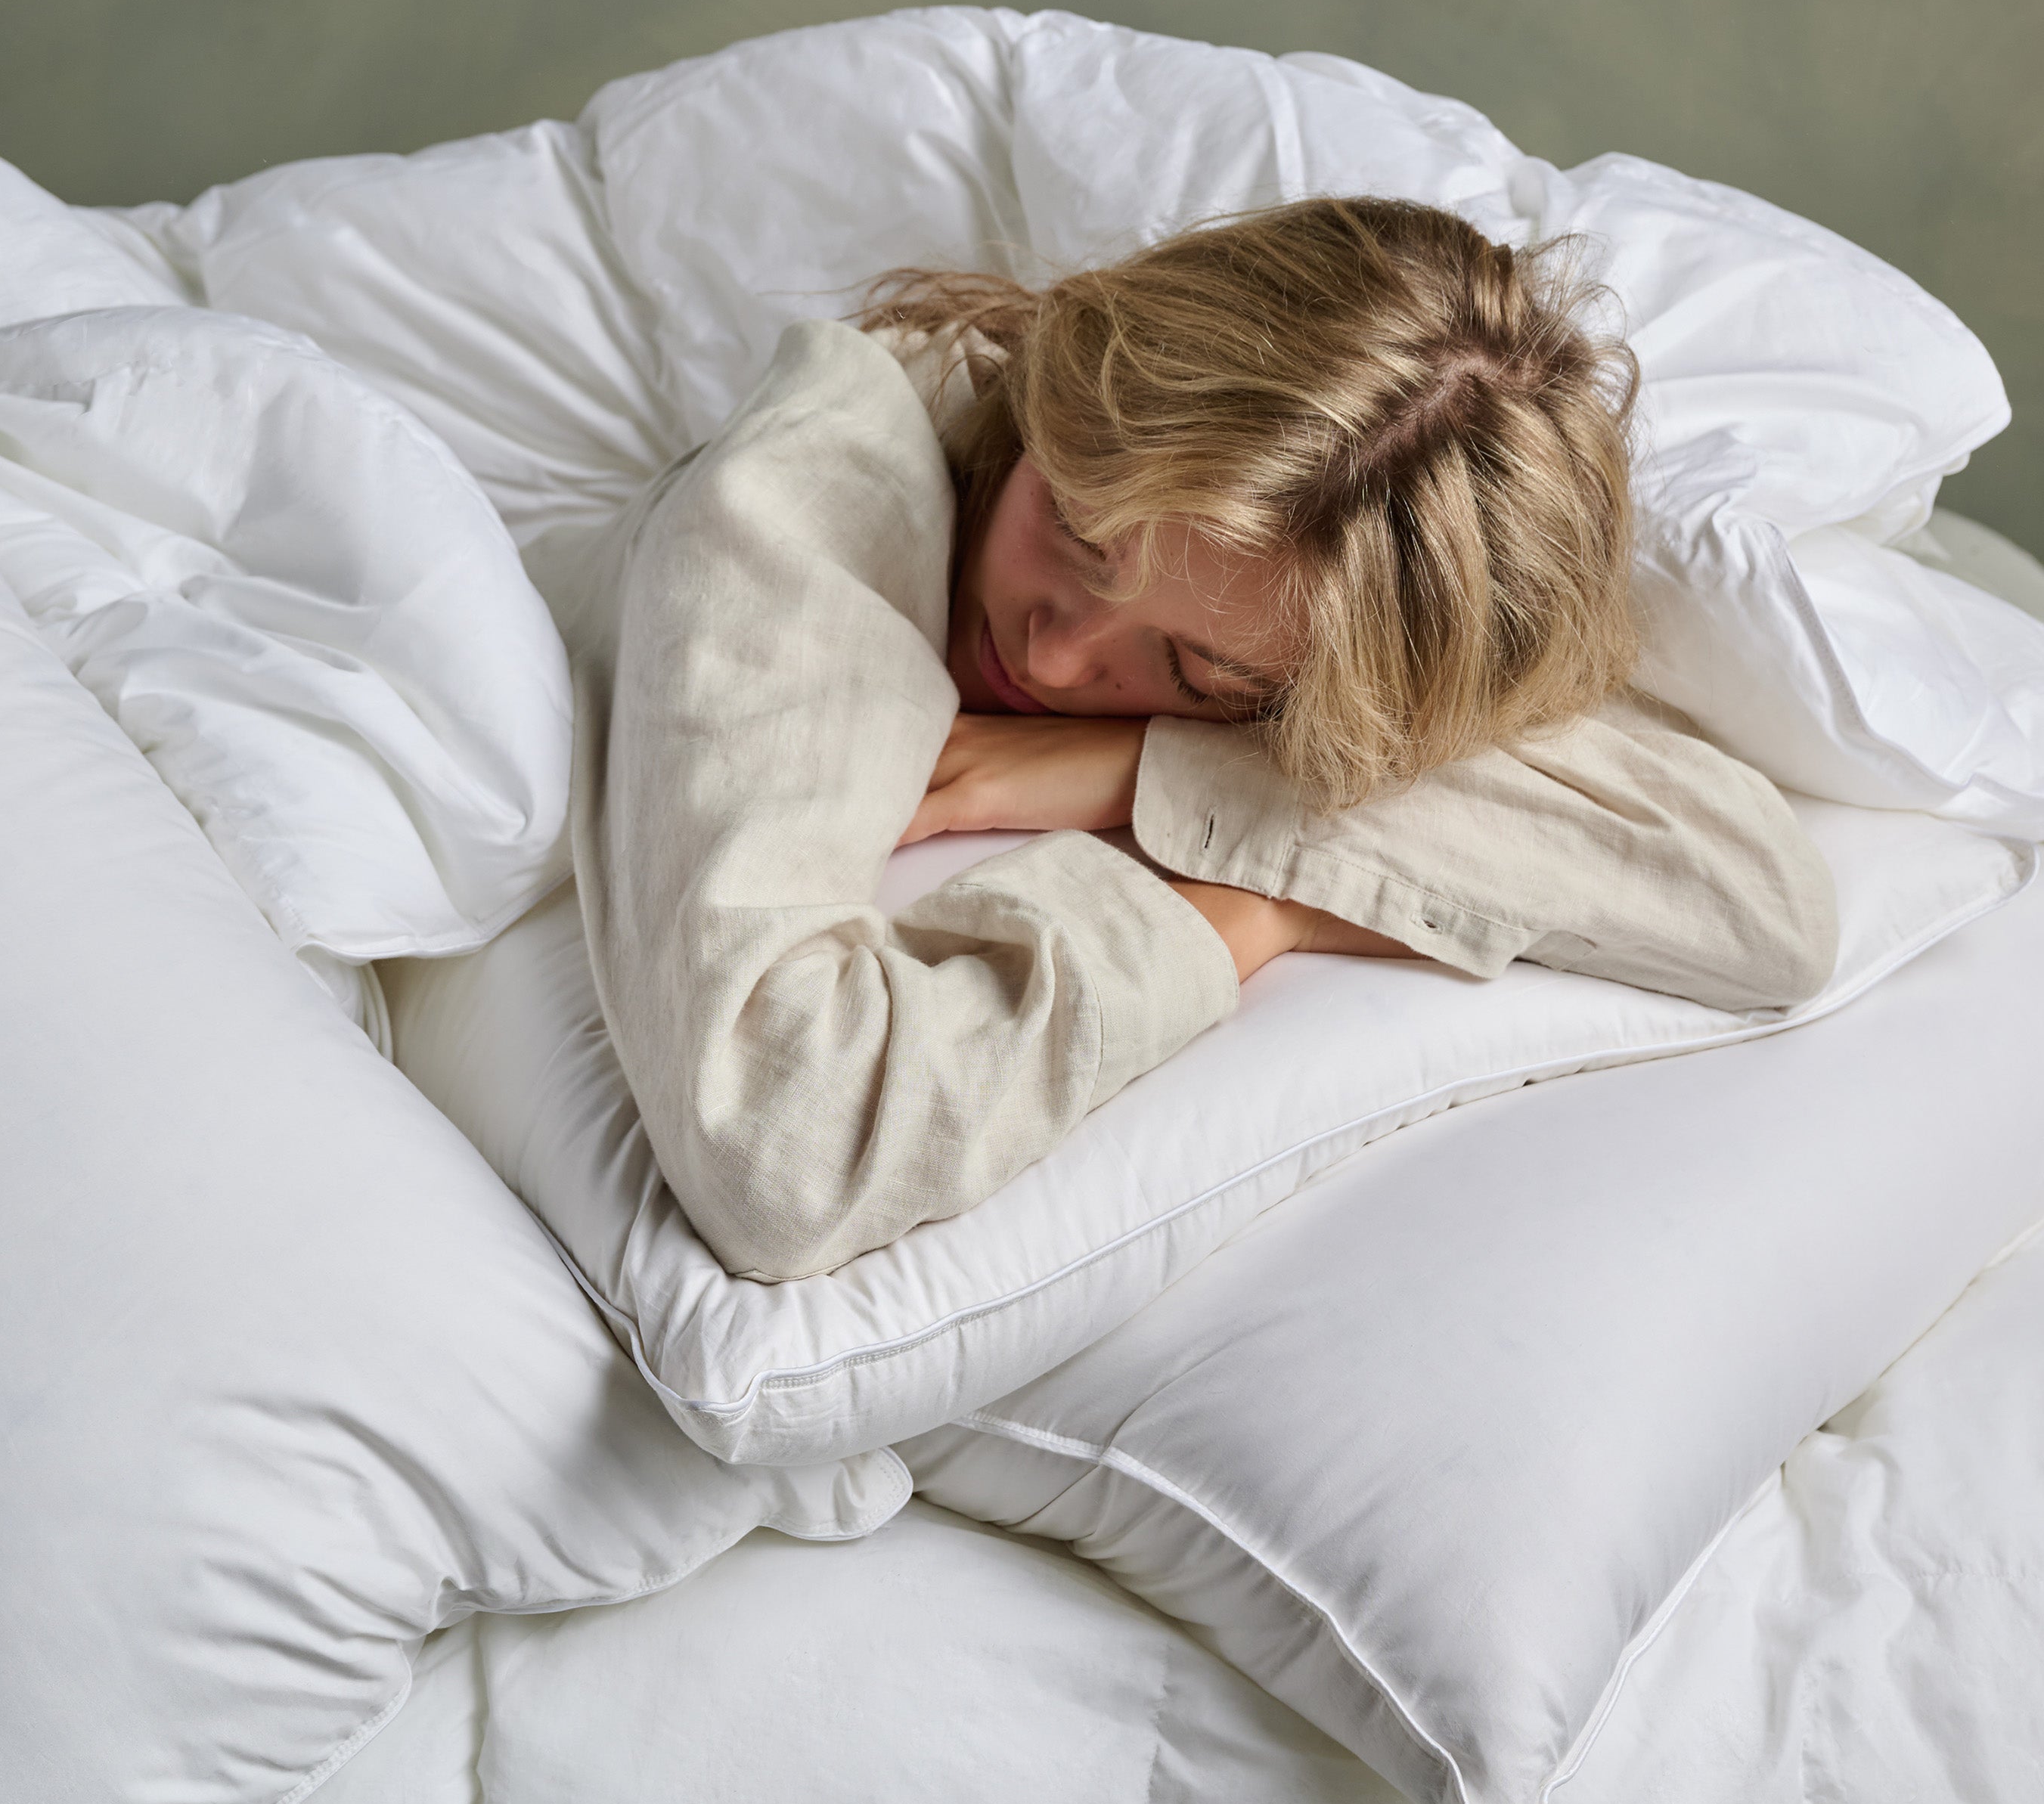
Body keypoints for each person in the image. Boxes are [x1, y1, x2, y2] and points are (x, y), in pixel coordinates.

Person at [564, 198, 1838, 1282]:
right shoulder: (806, 509)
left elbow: (1757, 903)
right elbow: (778, 1150)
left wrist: (1175, 787)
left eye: (1198, 669)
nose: (1057, 660)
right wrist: (1209, 920)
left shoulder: (1313, 632)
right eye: (1075, 531)